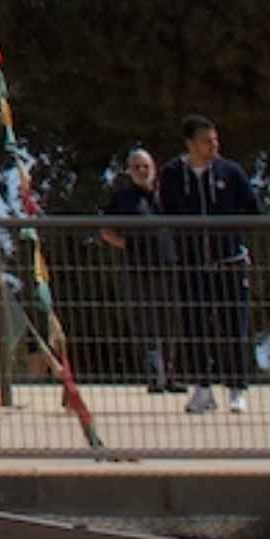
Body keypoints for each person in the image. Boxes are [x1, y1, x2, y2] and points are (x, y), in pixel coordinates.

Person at [161, 120, 266, 411]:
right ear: (191, 144)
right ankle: (202, 389)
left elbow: (253, 209)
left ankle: (237, 389)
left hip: (230, 263)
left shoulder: (231, 172)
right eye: (207, 141)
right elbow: (166, 212)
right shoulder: (172, 174)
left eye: (215, 140)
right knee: (194, 327)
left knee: (234, 326)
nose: (214, 147)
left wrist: (234, 236)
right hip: (191, 265)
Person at [93, 148, 168, 395]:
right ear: (129, 171)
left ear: (154, 168)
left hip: (169, 267)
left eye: (146, 166)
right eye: (136, 167)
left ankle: (172, 376)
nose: (142, 171)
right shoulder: (123, 198)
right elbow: (105, 229)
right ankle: (155, 378)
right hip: (136, 269)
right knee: (146, 324)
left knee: (171, 323)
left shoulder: (166, 196)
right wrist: (124, 244)